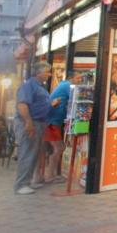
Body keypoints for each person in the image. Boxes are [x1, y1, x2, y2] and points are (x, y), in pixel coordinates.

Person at [14, 62, 52, 195]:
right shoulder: (29, 86)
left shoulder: (39, 86)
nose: (49, 74)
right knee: (27, 152)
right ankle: (21, 184)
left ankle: (27, 181)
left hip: (39, 123)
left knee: (33, 153)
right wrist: (28, 122)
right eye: (47, 71)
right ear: (38, 73)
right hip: (31, 123)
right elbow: (22, 105)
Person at [44, 72, 76, 183]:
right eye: (78, 78)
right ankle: (50, 176)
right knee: (59, 148)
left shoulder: (62, 85)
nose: (79, 81)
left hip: (53, 122)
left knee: (58, 148)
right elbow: (76, 96)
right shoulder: (67, 85)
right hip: (52, 123)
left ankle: (51, 174)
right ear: (71, 77)